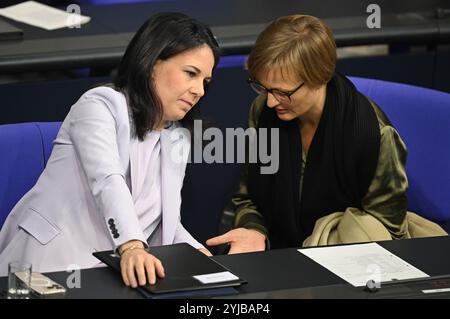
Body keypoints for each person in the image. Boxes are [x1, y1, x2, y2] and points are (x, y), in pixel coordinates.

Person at [0, 12, 220, 288]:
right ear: (152, 63)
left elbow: (165, 222)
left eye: (205, 82)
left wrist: (197, 254)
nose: (199, 90)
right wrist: (131, 247)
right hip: (50, 265)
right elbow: (107, 181)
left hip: (114, 272)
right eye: (191, 73)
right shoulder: (99, 105)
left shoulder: (177, 137)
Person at [206, 14, 446, 253]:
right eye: (262, 87)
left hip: (346, 260)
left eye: (283, 92)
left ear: (320, 78)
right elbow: (248, 197)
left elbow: (387, 230)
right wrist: (254, 230)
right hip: (278, 253)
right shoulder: (263, 112)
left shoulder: (374, 135)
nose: (270, 101)